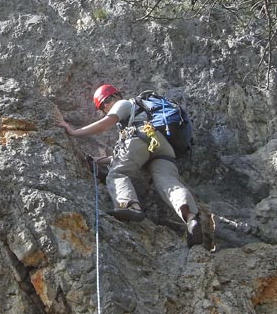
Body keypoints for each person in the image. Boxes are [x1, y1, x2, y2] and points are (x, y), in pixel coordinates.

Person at [57, 84, 203, 247]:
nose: (105, 110)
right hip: (163, 148)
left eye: (103, 108)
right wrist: (98, 161)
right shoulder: (141, 115)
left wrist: (73, 132)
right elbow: (127, 154)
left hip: (141, 138)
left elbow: (105, 125)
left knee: (116, 174)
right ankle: (191, 217)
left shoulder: (124, 104)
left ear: (106, 102)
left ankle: (130, 206)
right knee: (168, 183)